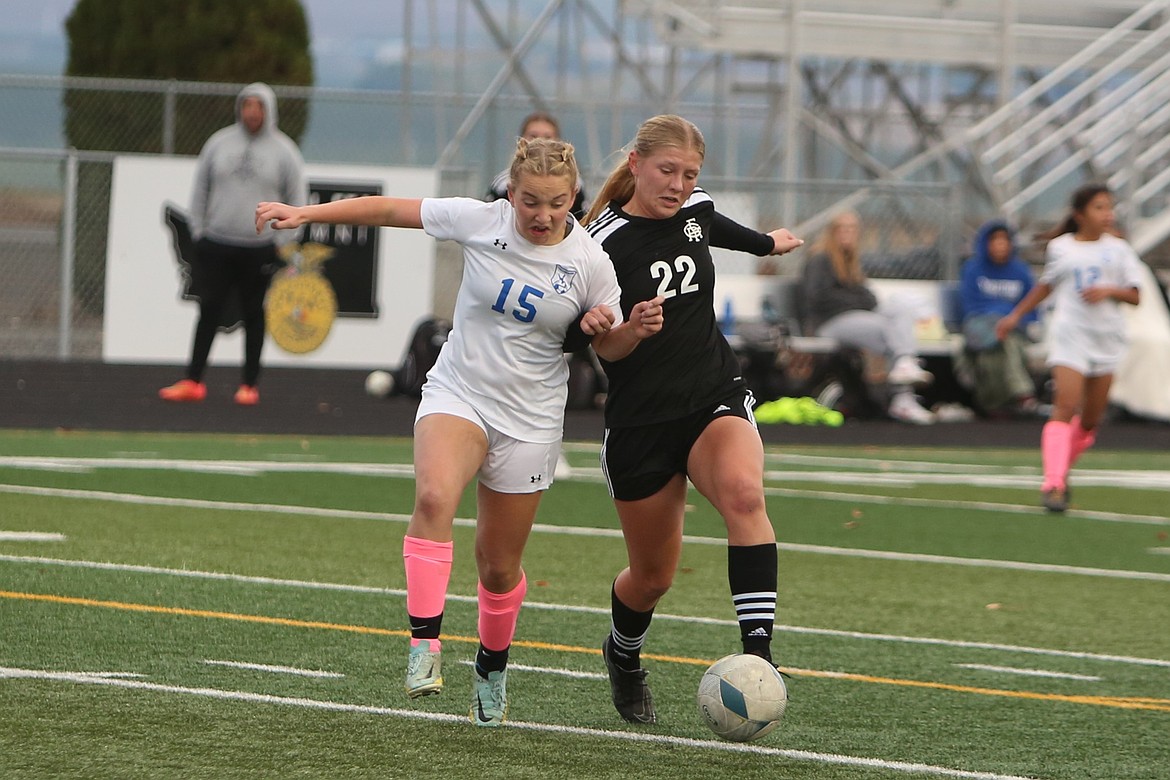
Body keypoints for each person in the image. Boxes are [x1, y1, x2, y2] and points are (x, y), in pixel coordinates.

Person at [256, 137, 664, 727]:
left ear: (573, 196)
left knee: (498, 567)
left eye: (554, 203)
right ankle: (424, 645)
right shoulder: (481, 220)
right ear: (511, 193)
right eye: (529, 202)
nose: (542, 216)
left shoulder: (591, 262)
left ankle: (492, 666)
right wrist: (307, 215)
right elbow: (390, 210)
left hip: (529, 419)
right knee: (433, 496)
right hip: (460, 393)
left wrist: (624, 328)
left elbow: (611, 350)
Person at [582, 114, 802, 724]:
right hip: (641, 421)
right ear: (635, 164)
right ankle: (623, 655)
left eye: (690, 174)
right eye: (666, 171)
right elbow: (603, 352)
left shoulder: (695, 208)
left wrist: (767, 243)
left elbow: (715, 225)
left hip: (713, 395)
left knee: (743, 492)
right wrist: (628, 329)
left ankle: (759, 658)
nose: (678, 184)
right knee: (652, 578)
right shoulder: (597, 244)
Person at [995, 184, 1142, 513]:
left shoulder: (1119, 250)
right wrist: (1014, 316)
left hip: (1106, 339)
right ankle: (1054, 484)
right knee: (1065, 406)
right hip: (1070, 335)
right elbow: (1046, 285)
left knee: (1089, 422)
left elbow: (1136, 296)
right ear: (1080, 215)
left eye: (1110, 207)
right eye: (1100, 208)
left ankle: (1060, 469)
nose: (1108, 214)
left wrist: (1109, 291)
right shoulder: (1062, 248)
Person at [160, 82, 307, 406]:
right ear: (239, 108)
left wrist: (281, 240)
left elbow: (297, 198)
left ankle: (249, 385)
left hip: (260, 248)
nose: (252, 112)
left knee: (254, 313)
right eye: (247, 105)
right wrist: (198, 232)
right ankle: (193, 380)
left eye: (259, 106)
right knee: (208, 309)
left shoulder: (284, 151)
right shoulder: (219, 144)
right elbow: (200, 189)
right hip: (216, 244)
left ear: (269, 110)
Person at [800, 211, 937, 424]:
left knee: (900, 310)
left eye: (852, 229)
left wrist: (856, 298)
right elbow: (819, 297)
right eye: (842, 228)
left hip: (856, 317)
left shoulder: (851, 262)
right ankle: (903, 385)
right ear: (832, 232)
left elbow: (869, 297)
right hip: (830, 323)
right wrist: (855, 299)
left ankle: (904, 372)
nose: (847, 233)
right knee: (890, 330)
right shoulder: (820, 258)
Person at [957, 219, 1040, 415]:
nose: (1001, 245)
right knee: (1004, 342)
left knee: (999, 350)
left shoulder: (1021, 271)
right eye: (995, 240)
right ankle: (1023, 394)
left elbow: (1030, 307)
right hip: (981, 325)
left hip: (1013, 328)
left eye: (1005, 240)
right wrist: (997, 318)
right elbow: (970, 306)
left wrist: (1009, 320)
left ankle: (991, 403)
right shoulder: (973, 269)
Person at [487, 111, 587, 221]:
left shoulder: (574, 183)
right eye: (533, 136)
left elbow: (584, 220)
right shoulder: (502, 184)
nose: (540, 141)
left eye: (557, 204)